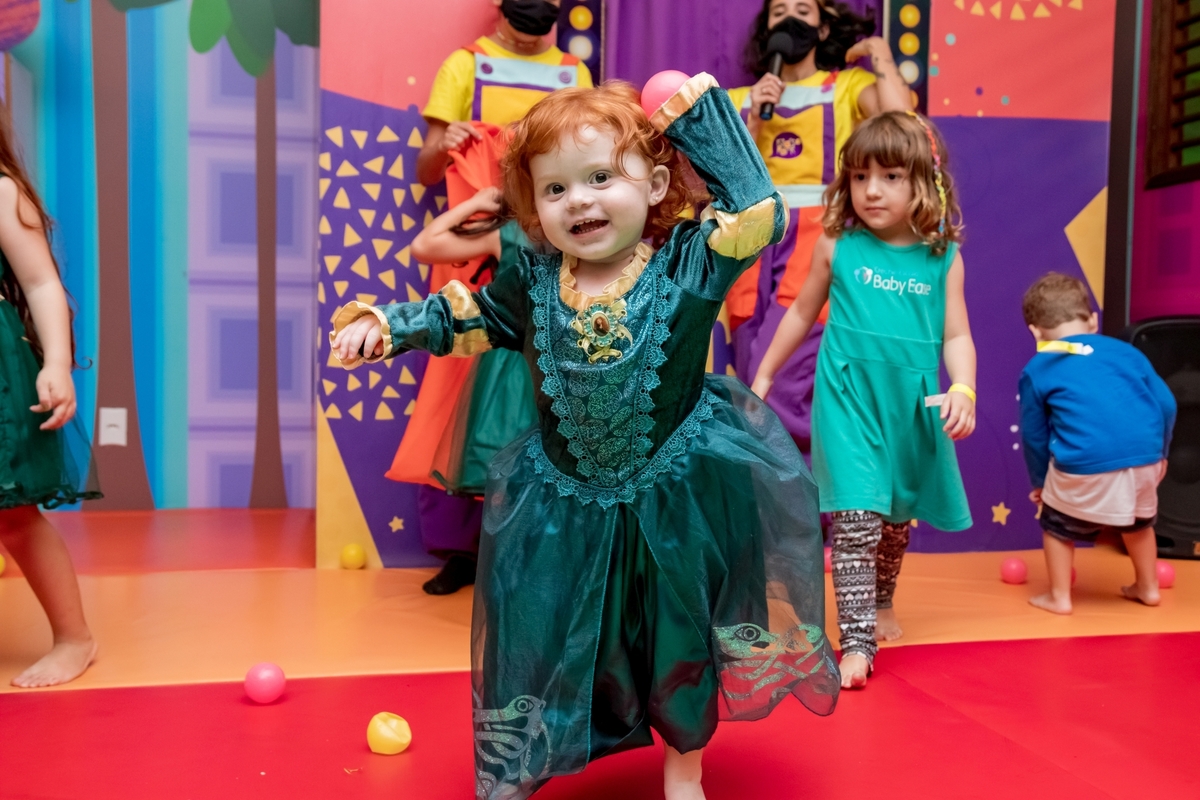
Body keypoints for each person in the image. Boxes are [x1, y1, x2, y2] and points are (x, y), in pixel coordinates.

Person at [332, 76, 838, 799]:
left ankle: (685, 766)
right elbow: (467, 317)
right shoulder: (534, 279)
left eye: (602, 178)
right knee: (546, 632)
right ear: (534, 208)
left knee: (677, 638)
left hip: (674, 500)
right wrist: (387, 326)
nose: (580, 200)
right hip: (562, 505)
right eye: (556, 188)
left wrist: (694, 114)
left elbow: (758, 208)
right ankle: (529, 755)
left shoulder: (689, 265)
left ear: (654, 184)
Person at [752, 111, 975, 689]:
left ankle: (881, 599)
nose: (872, 190)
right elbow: (801, 313)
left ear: (924, 181)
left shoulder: (942, 257)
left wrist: (963, 387)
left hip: (910, 407)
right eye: (859, 177)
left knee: (895, 520)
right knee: (854, 518)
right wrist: (765, 375)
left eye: (891, 176)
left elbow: (956, 334)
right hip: (849, 400)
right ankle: (856, 643)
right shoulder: (837, 246)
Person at [404, 0, 593, 595]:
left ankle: (546, 547)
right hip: (483, 251)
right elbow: (426, 168)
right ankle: (461, 548)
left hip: (548, 244)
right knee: (459, 398)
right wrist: (448, 144)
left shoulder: (573, 73)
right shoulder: (466, 65)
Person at [727, 0, 911, 452]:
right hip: (751, 244)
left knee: (785, 373)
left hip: (815, 239)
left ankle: (806, 484)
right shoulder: (736, 99)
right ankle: (770, 484)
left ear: (823, 28)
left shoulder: (847, 86)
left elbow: (903, 126)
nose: (790, 18)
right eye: (780, 11)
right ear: (767, 28)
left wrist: (878, 52)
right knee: (750, 373)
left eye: (803, 9)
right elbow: (718, 176)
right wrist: (753, 121)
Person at [0, 124, 101, 688]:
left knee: (13, 516)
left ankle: (74, 638)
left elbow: (40, 283)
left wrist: (57, 363)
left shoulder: (0, 192)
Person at [405, 187, 540, 594]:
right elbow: (425, 245)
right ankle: (485, 562)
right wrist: (477, 203)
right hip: (510, 369)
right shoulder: (510, 234)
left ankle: (535, 569)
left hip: (564, 361)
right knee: (503, 463)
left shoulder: (584, 229)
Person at [1018, 273, 1175, 615]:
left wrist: (1041, 483)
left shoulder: (1038, 367)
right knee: (1140, 524)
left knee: (1057, 526)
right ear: (1092, 320)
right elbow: (1166, 404)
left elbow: (1034, 435)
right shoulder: (1128, 353)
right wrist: (1161, 454)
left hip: (1084, 464)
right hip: (1145, 460)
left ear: (1036, 332)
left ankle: (1059, 597)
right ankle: (1148, 587)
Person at [416, 0, 593, 188]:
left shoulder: (574, 73)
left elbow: (589, 159)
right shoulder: (464, 64)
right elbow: (426, 175)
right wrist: (443, 147)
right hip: (481, 204)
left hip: (546, 204)